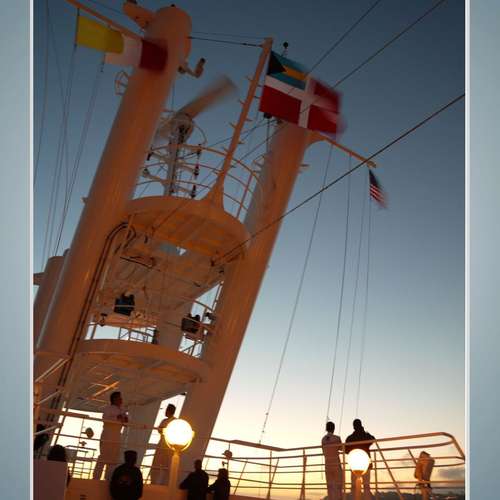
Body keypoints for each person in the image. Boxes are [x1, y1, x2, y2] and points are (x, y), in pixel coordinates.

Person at [93, 391, 128, 481]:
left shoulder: (122, 410)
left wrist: (125, 418)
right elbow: (105, 419)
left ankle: (108, 478)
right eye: (119, 398)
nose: (121, 399)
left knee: (114, 458)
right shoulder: (108, 408)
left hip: (117, 435)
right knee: (104, 456)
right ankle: (96, 477)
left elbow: (126, 422)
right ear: (114, 399)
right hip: (108, 434)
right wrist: (117, 417)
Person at [345, 419, 375, 500]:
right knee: (366, 486)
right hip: (366, 464)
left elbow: (346, 450)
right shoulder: (366, 436)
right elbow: (373, 439)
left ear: (353, 426)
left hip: (354, 464)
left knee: (354, 486)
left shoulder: (350, 438)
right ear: (361, 425)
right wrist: (366, 433)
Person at [150, 403, 176, 485]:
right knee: (156, 463)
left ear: (170, 411)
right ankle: (154, 481)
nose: (165, 411)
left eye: (167, 410)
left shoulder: (175, 421)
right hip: (161, 443)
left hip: (169, 445)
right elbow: (159, 430)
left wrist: (164, 430)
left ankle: (166, 483)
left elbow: (163, 430)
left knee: (167, 464)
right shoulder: (164, 420)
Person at [321, 421, 343, 500]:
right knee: (338, 484)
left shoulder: (323, 439)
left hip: (327, 464)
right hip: (336, 464)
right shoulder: (337, 438)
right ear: (333, 428)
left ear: (326, 429)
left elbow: (323, 451)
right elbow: (341, 448)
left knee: (330, 485)